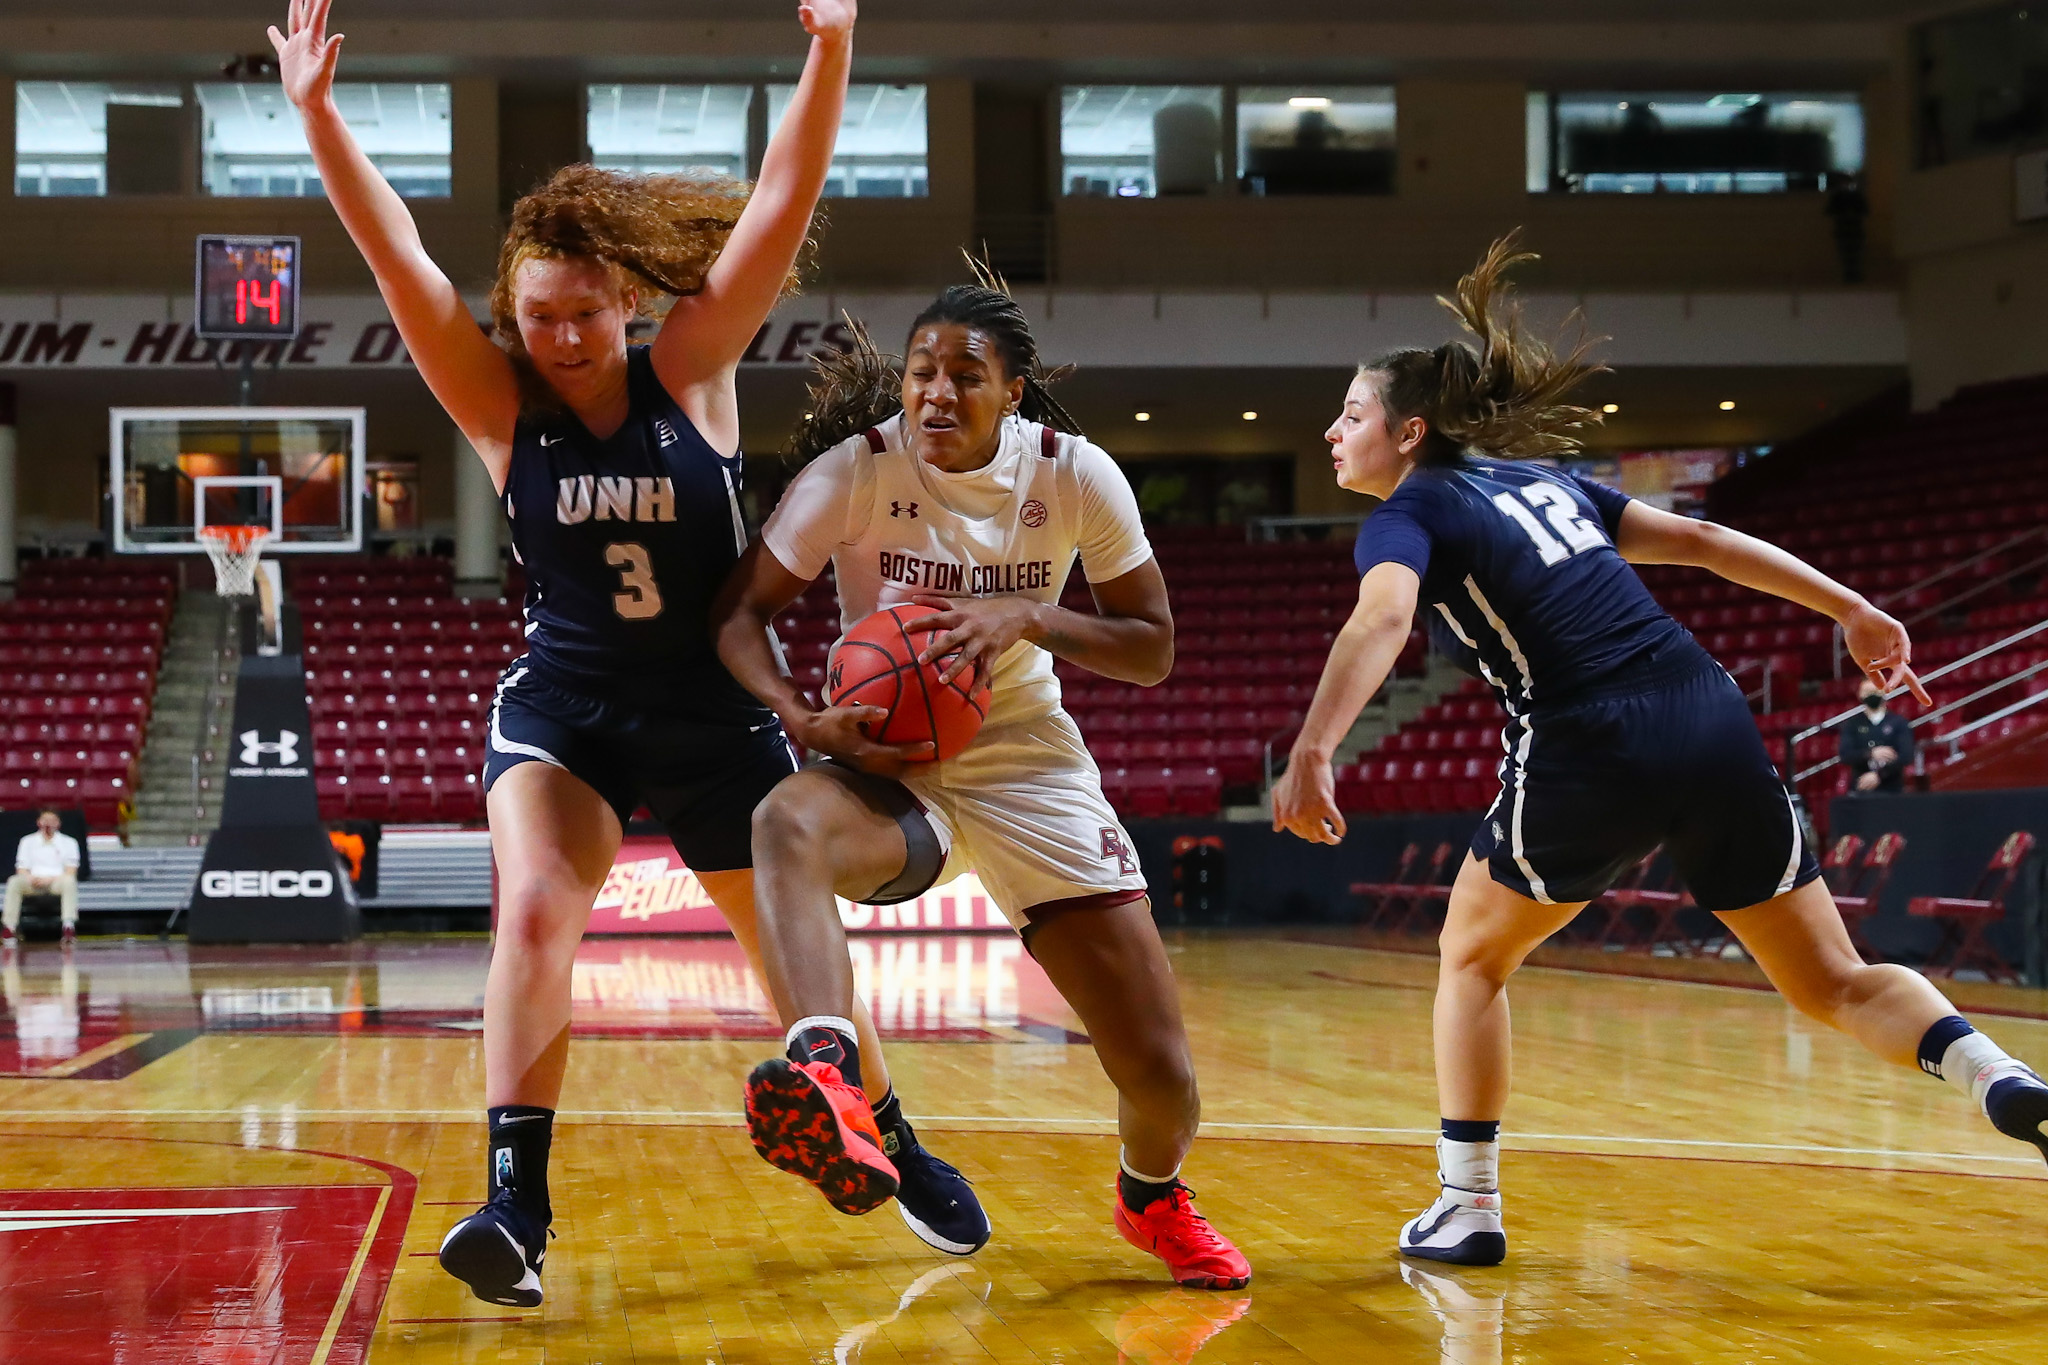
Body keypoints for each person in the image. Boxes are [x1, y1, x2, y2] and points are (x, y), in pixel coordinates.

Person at [270, 0, 981, 1309]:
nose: (565, 338)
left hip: (715, 715)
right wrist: (316, 115)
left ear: (627, 304)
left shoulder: (693, 367)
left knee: (793, 970)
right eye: (540, 316)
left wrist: (829, 49)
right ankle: (514, 1208)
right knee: (536, 903)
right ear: (516, 313)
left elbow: (781, 197)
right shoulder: (496, 402)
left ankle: (892, 1132)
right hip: (569, 712)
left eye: (586, 314)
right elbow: (398, 262)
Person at [1272, 233, 2048, 1267]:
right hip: (1709, 713)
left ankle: (1465, 1205)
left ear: (1409, 432)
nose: (1331, 431)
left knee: (1469, 957)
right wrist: (1851, 608)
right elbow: (1704, 544)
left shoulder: (1412, 511)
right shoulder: (1546, 486)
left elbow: (1380, 620)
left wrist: (1315, 747)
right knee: (1831, 980)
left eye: (1351, 415)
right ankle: (1994, 1074)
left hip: (1588, 736)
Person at [709, 277, 1251, 1289]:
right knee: (786, 816)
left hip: (1026, 759)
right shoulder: (855, 472)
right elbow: (737, 613)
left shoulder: (1074, 475)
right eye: (921, 374)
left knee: (1159, 1077)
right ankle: (825, 1069)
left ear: (1013, 394)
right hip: (892, 756)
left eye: (965, 377)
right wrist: (798, 714)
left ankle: (1150, 1197)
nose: (936, 396)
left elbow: (1150, 647)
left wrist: (1032, 619)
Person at [4, 808, 79, 946]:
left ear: (58, 823)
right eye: (45, 820)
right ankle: (10, 928)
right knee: (14, 882)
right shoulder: (27, 841)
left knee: (69, 881)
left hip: (56, 882)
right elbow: (21, 868)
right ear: (39, 822)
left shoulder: (70, 842)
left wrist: (49, 879)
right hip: (33, 882)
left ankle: (68, 927)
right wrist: (31, 878)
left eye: (52, 820)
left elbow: (71, 870)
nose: (48, 824)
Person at [1839, 678, 1914, 792]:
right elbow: (1845, 755)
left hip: (1892, 789)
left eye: (1875, 691)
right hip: (1861, 788)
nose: (1872, 695)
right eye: (1867, 692)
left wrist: (1880, 775)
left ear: (1884, 692)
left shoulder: (1899, 722)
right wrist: (1870, 753)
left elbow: (1906, 756)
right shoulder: (1852, 724)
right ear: (1860, 695)